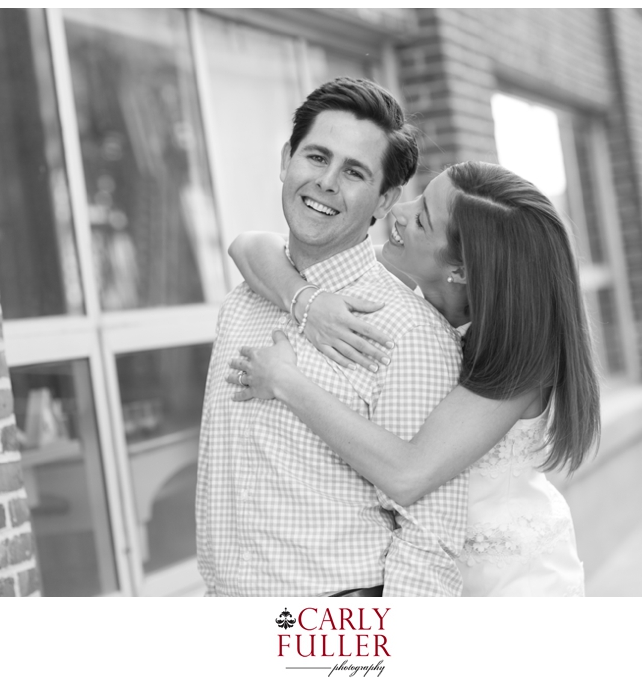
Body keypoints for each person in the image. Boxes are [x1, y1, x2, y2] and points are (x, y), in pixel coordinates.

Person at [227, 161, 601, 596]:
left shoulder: (519, 359)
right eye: (420, 196)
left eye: (422, 218)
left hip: (509, 586)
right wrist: (306, 301)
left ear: (460, 270)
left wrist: (285, 382)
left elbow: (408, 474)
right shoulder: (408, 308)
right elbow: (249, 245)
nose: (398, 211)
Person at [196, 77, 469, 597]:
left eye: (354, 172)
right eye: (317, 157)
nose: (326, 182)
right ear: (286, 159)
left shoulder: (408, 332)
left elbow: (431, 539)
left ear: (385, 199)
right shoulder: (243, 300)